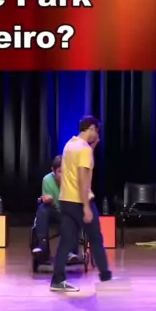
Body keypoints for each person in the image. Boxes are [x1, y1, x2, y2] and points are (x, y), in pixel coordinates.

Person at [51, 115, 113, 292]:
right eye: (96, 131)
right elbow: (83, 179)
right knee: (95, 238)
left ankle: (57, 280)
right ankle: (105, 276)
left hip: (66, 200)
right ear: (91, 128)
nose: (97, 135)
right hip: (80, 201)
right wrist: (86, 207)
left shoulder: (70, 145)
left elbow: (79, 163)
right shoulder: (84, 149)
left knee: (66, 241)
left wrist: (93, 147)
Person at [32, 156, 79, 265]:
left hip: (68, 213)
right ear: (53, 171)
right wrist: (49, 200)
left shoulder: (72, 181)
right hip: (54, 212)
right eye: (60, 172)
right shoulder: (47, 180)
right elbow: (49, 204)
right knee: (42, 209)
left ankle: (71, 252)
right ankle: (42, 247)